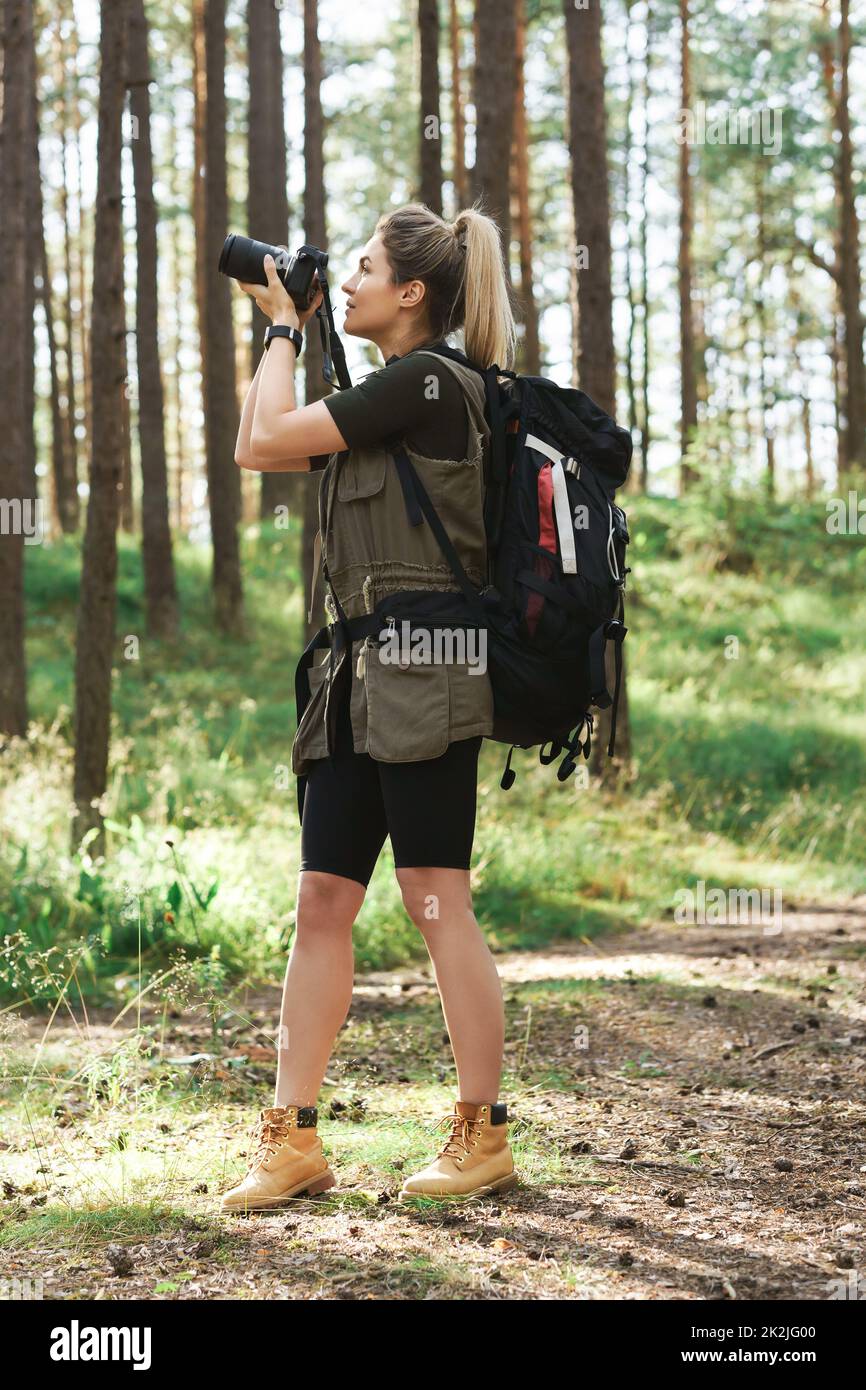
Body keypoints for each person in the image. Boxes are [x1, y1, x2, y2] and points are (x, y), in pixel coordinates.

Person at [220, 201, 520, 1212]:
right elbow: (261, 445)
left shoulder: (429, 382)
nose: (340, 283)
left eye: (358, 269)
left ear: (411, 294)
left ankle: (481, 1134)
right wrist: (291, 331)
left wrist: (279, 325)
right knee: (323, 900)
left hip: (428, 667)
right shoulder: (377, 398)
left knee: (434, 898)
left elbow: (261, 438)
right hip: (351, 676)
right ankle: (293, 1137)